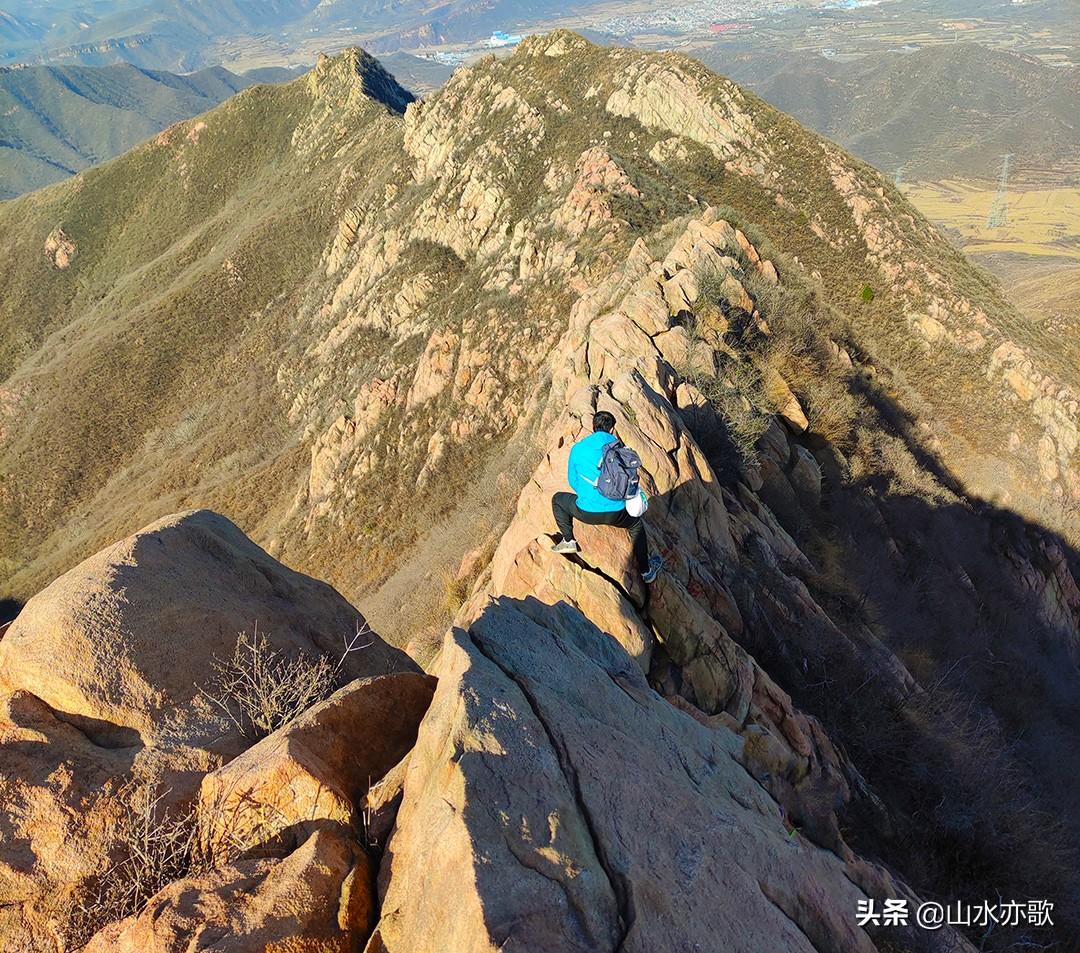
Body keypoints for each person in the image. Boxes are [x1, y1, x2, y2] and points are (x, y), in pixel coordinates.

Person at [551, 411, 663, 584]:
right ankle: (646, 572)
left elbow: (573, 482)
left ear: (593, 427)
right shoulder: (618, 447)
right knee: (636, 525)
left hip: (585, 512)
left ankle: (568, 540)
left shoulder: (578, 448)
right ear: (612, 429)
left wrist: (590, 494)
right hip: (618, 512)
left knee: (558, 499)